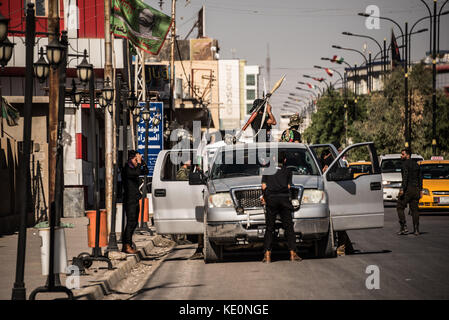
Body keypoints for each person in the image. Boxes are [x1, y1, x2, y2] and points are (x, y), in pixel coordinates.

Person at [261, 151, 302, 263]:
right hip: (284, 200)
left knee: (270, 228)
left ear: (274, 159)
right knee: (289, 227)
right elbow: (288, 186)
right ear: (284, 160)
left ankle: (267, 255)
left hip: (272, 200)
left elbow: (263, 186)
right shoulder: (288, 171)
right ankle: (293, 253)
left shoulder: (268, 170)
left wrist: (265, 197)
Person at [122, 150, 149, 254]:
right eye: (135, 160)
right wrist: (138, 163)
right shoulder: (127, 168)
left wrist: (142, 162)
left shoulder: (134, 168)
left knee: (134, 223)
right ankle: (126, 245)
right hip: (129, 199)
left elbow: (145, 171)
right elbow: (137, 173)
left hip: (135, 198)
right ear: (130, 159)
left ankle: (127, 244)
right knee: (130, 223)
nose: (137, 162)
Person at [397, 148, 422, 236]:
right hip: (416, 190)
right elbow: (420, 178)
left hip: (408, 189)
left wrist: (402, 189)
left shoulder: (404, 164)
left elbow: (405, 177)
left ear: (408, 155)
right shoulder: (416, 165)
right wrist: (420, 190)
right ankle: (416, 230)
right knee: (415, 210)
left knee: (399, 207)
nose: (401, 155)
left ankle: (404, 227)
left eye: (403, 154)